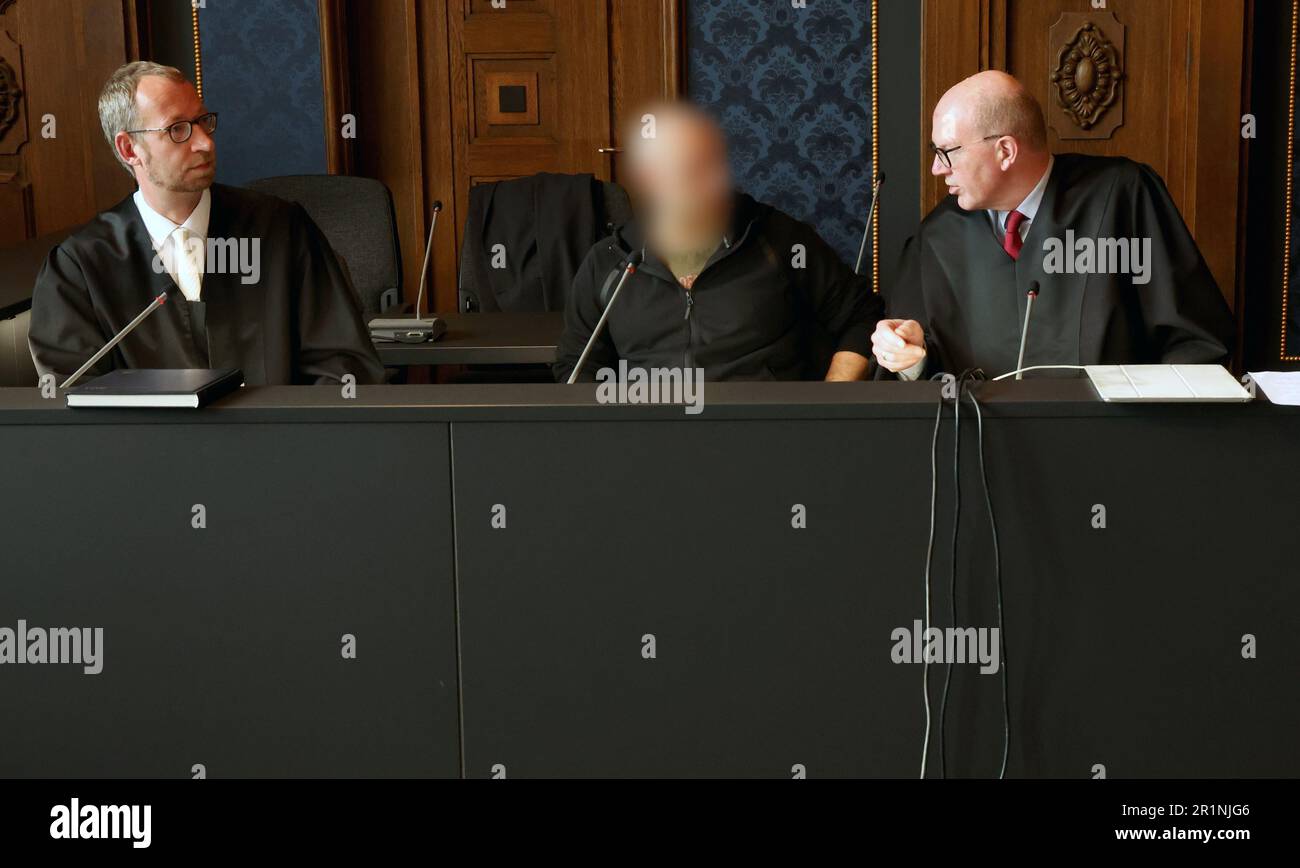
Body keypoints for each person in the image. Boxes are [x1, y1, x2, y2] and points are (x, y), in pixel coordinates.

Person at [29, 62, 384, 386]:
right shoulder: (80, 267)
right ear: (129, 149)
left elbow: (343, 366)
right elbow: (74, 401)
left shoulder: (282, 229)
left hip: (281, 449)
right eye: (178, 130)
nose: (204, 142)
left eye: (203, 121)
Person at [873, 71, 1234, 380]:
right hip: (983, 452)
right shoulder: (938, 235)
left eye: (948, 152)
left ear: (1005, 151)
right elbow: (919, 367)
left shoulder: (1121, 197)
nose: (937, 169)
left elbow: (1194, 341)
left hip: (1110, 447)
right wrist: (907, 357)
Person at [554, 101, 882, 383]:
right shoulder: (609, 260)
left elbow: (863, 315)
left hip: (766, 432)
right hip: (652, 434)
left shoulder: (781, 241)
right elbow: (577, 364)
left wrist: (830, 402)